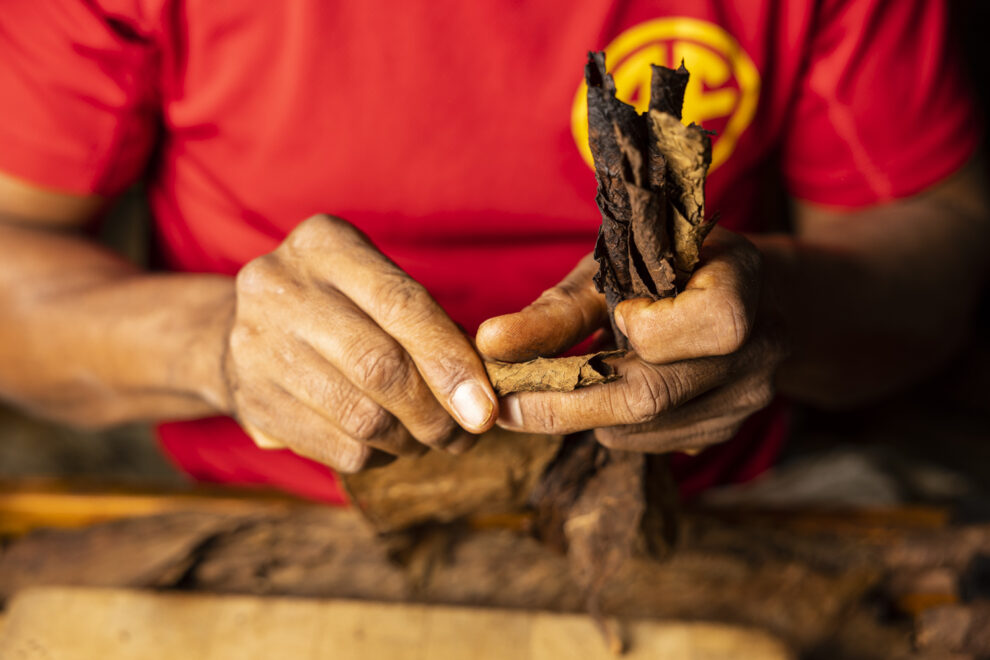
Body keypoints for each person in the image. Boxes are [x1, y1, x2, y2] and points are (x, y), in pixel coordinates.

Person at [0, 0, 987, 504]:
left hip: (719, 493)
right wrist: (216, 343)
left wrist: (778, 312)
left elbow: (935, 240)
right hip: (266, 504)